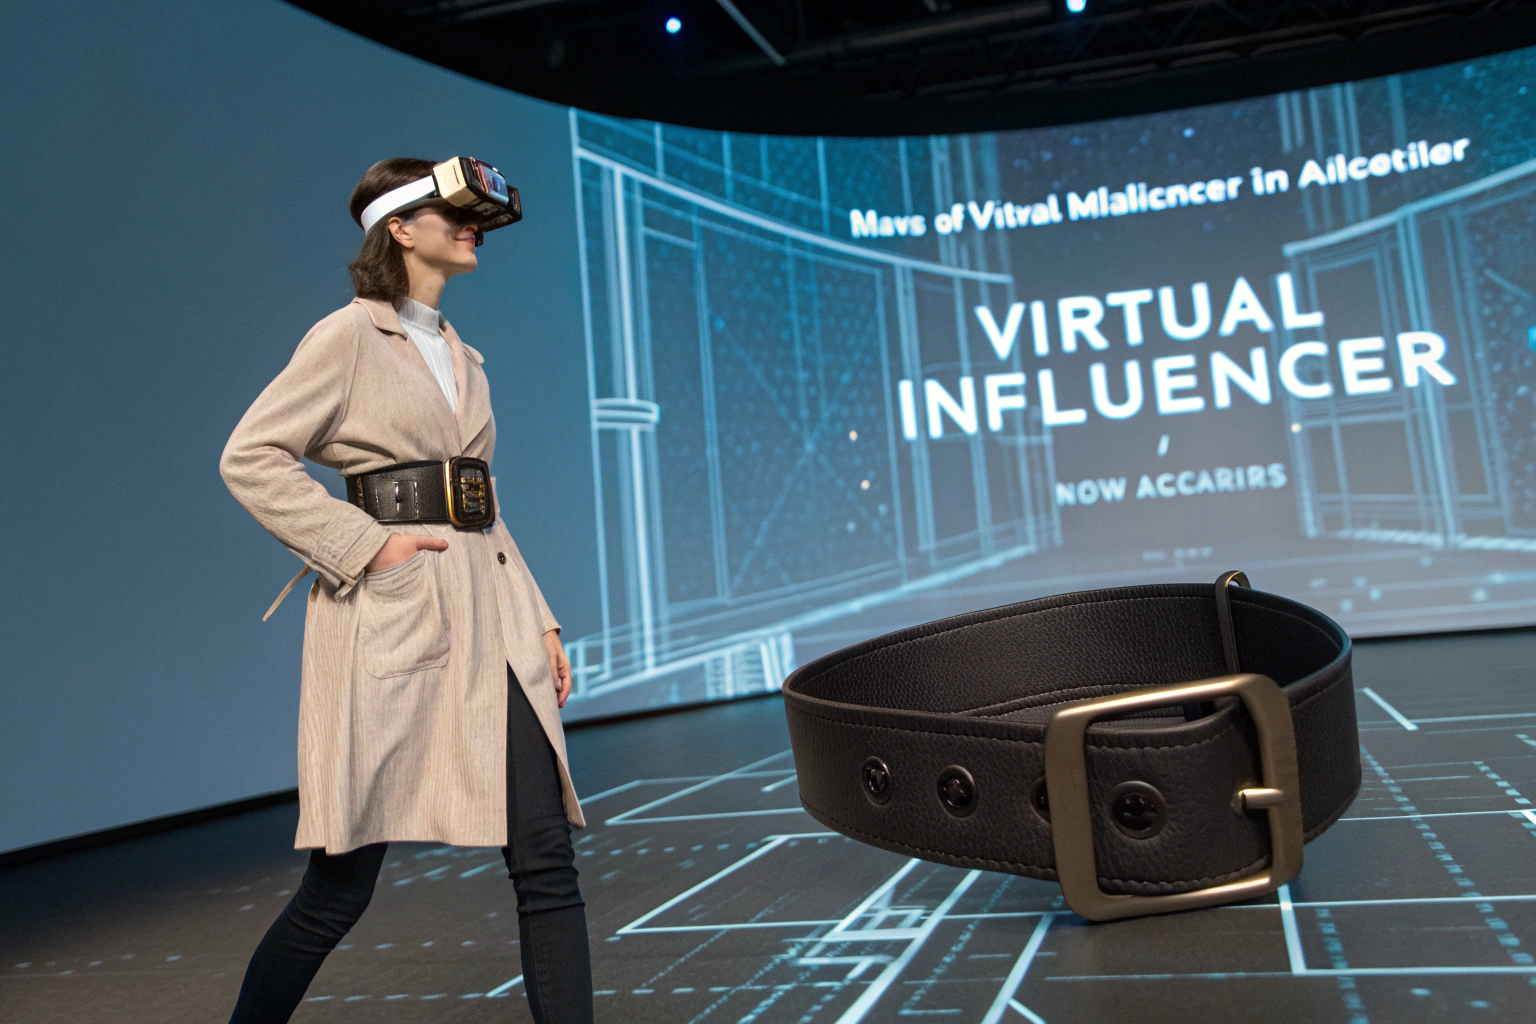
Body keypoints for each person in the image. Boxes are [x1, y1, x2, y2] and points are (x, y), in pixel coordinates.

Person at [219, 157, 592, 1023]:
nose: (471, 229)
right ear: (399, 228)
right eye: (453, 214)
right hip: (395, 612)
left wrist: (539, 620)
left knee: (545, 860)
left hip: (494, 618)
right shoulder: (346, 337)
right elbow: (250, 457)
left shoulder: (464, 356)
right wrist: (369, 547)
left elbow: (481, 506)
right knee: (337, 891)